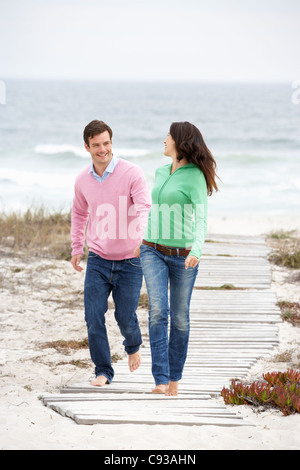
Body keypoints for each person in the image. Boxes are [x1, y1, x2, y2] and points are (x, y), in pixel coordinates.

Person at [138, 121, 218, 396]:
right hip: (151, 249)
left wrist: (197, 249)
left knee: (180, 318)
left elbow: (201, 217)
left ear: (179, 142)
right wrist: (141, 238)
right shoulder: (161, 172)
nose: (164, 140)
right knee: (158, 311)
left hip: (184, 255)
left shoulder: (195, 175)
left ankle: (174, 378)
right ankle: (160, 379)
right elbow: (154, 209)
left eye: (168, 136)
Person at [71, 120, 151, 386]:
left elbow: (143, 206)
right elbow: (80, 214)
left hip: (130, 259)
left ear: (111, 143)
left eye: (106, 143)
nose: (102, 149)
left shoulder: (132, 172)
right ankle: (103, 371)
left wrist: (141, 239)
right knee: (93, 317)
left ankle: (133, 345)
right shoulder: (82, 180)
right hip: (98, 258)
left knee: (124, 316)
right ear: (87, 147)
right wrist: (76, 248)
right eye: (96, 145)